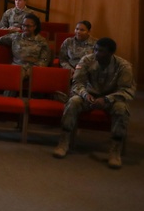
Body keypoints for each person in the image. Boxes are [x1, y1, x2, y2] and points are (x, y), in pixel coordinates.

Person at [54, 38, 135, 168]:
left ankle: (115, 150)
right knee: (73, 102)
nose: (97, 53)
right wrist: (85, 94)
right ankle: (63, 141)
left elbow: (127, 90)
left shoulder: (123, 66)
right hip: (89, 96)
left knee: (121, 109)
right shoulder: (87, 60)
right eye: (96, 49)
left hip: (111, 98)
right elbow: (77, 83)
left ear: (111, 53)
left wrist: (107, 99)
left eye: (101, 51)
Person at [0, 13, 52, 82]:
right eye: (23, 25)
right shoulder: (16, 36)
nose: (25, 28)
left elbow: (44, 60)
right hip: (16, 67)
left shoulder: (42, 41)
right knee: (14, 75)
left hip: (33, 69)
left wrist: (32, 70)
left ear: (35, 27)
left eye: (28, 26)